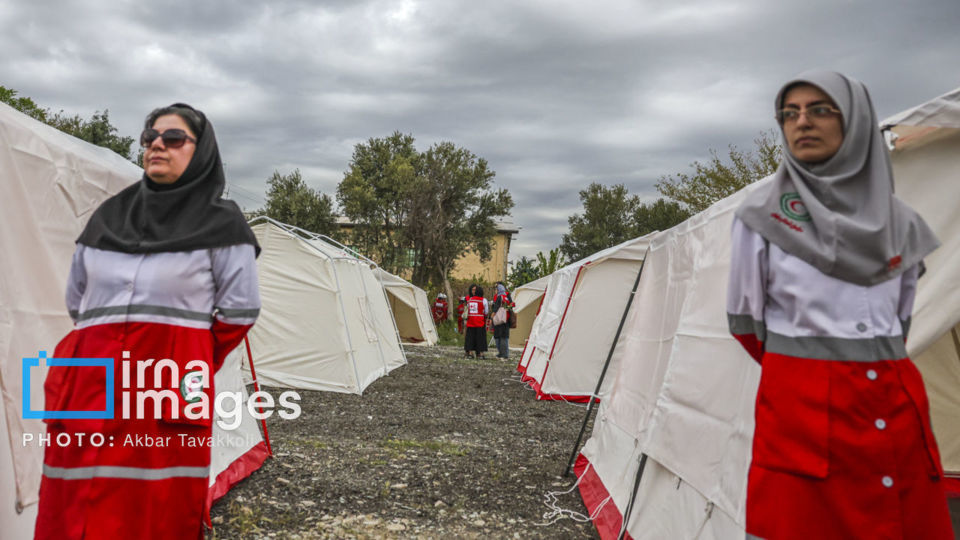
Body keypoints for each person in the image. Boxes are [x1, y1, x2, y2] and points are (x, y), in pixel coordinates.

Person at [727, 71, 952, 539]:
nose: (802, 121)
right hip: (801, 418)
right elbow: (747, 326)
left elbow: (899, 324)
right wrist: (811, 373)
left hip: (894, 409)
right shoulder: (761, 218)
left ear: (857, 121)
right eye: (789, 113)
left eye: (820, 109)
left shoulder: (902, 224)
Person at [35, 104, 261, 540]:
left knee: (152, 510)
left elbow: (239, 312)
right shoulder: (108, 217)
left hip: (167, 385)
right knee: (72, 504)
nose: (157, 144)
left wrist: (184, 357)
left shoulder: (223, 224)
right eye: (150, 136)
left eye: (173, 138)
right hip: (87, 382)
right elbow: (79, 302)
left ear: (200, 150)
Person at [463, 284, 488, 358]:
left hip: (470, 322)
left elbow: (467, 310)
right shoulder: (483, 300)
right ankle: (480, 354)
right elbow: (486, 312)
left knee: (470, 338)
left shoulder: (469, 300)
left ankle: (470, 353)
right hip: (480, 322)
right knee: (480, 338)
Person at [491, 282, 514, 359]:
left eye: (496, 288)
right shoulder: (506, 296)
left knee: (498, 336)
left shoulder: (499, 297)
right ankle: (504, 353)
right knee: (504, 336)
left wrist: (492, 315)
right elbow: (511, 305)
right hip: (506, 319)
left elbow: (496, 307)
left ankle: (502, 353)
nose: (495, 290)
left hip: (499, 319)